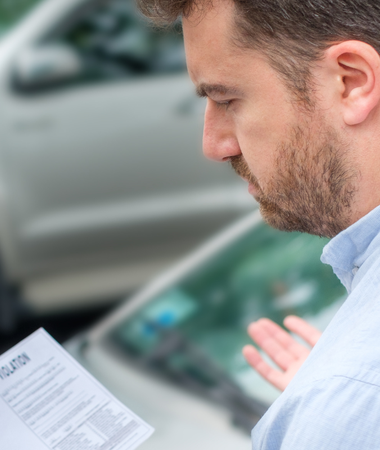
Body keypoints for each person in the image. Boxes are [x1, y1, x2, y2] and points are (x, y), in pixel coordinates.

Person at [137, 0, 380, 448]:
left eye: (227, 98)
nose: (214, 144)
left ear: (352, 81)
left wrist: (327, 414)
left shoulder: (348, 399)